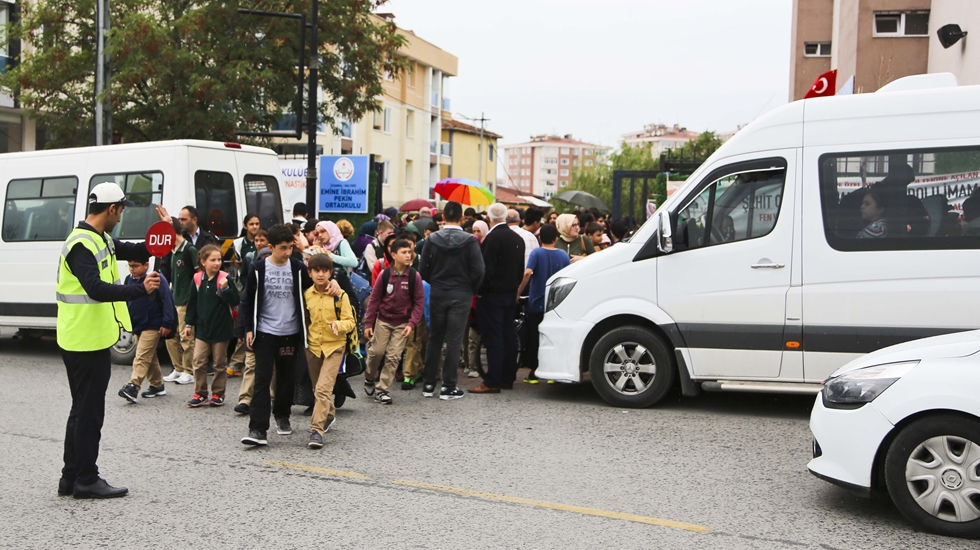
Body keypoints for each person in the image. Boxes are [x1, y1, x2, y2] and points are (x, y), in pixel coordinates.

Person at [56, 182, 169, 499]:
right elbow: (96, 288)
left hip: (83, 338)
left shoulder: (98, 238)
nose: (120, 216)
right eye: (120, 210)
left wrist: (165, 234)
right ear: (112, 209)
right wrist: (139, 289)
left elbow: (137, 250)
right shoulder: (82, 245)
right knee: (89, 412)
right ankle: (86, 479)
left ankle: (71, 477)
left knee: (80, 410)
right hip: (83, 340)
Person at [240, 224, 339, 446]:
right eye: (282, 248)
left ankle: (282, 415)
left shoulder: (296, 268)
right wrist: (247, 329)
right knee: (262, 380)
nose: (287, 253)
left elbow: (317, 285)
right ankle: (257, 429)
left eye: (290, 248)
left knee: (286, 378)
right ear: (271, 247)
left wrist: (333, 282)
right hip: (265, 332)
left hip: (291, 333)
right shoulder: (258, 269)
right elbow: (247, 301)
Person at [419, 201, 485, 400]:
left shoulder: (432, 240)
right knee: (455, 340)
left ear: (443, 218)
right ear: (463, 218)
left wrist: (435, 281)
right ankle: (449, 386)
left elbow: (423, 269)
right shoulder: (470, 241)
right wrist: (471, 288)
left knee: (435, 338)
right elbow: (479, 270)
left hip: (438, 291)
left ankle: (429, 384)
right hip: (461, 293)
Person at [470, 203, 525, 394]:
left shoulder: (492, 239)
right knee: (508, 336)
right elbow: (520, 269)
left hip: (492, 295)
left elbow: (486, 270)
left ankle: (492, 379)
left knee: (493, 338)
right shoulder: (517, 238)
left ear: (489, 218)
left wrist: (481, 289)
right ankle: (507, 377)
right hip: (510, 293)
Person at [304, 254, 356, 449]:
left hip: (334, 347)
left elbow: (350, 322)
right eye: (316, 270)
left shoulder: (340, 295)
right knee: (317, 386)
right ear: (309, 273)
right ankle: (330, 413)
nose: (320, 274)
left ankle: (316, 430)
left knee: (323, 389)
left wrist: (338, 325)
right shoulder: (307, 294)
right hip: (314, 347)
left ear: (330, 273)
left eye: (325, 271)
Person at [362, 239, 425, 402]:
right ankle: (369, 377)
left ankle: (382, 389)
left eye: (409, 252)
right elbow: (374, 300)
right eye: (404, 252)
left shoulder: (414, 276)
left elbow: (419, 303)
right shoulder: (385, 275)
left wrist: (411, 324)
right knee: (376, 353)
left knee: (393, 356)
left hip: (402, 323)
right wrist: (368, 323)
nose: (408, 255)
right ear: (394, 255)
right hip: (383, 321)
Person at [184, 244, 240, 407]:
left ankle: (218, 393)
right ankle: (200, 392)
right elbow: (192, 303)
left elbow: (235, 301)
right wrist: (189, 323)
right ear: (203, 262)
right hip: (202, 328)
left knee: (219, 363)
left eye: (219, 259)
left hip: (221, 328)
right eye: (212, 260)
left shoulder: (225, 278)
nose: (217, 263)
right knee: (199, 361)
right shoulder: (197, 279)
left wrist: (225, 289)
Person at [516, 224, 570, 383]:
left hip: (537, 302)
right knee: (553, 338)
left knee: (535, 338)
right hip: (556, 304)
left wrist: (519, 291)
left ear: (540, 238)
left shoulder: (537, 252)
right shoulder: (563, 255)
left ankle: (534, 373)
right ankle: (552, 374)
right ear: (556, 238)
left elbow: (527, 272)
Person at [117, 257, 175, 403]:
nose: (132, 269)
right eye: (130, 265)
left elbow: (167, 300)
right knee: (149, 355)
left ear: (146, 265)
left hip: (153, 323)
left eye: (135, 265)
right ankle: (157, 385)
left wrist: (167, 322)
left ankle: (133, 386)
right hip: (137, 323)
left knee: (141, 356)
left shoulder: (156, 278)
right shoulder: (128, 279)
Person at [163, 217, 198, 386]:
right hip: (174, 298)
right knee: (171, 336)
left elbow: (198, 274)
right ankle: (177, 367)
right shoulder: (173, 251)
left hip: (186, 300)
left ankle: (188, 370)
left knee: (186, 337)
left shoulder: (189, 249)